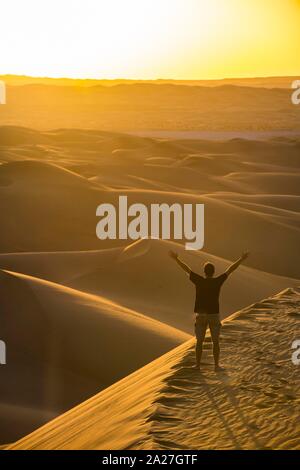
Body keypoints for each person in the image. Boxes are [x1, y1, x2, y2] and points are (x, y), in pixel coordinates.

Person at [169, 250, 249, 371]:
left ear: (204, 272)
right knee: (215, 342)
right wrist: (241, 259)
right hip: (214, 315)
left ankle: (197, 365)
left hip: (201, 315)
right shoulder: (217, 281)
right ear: (213, 272)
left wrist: (176, 260)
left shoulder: (199, 280)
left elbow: (187, 269)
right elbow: (230, 270)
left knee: (199, 342)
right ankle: (216, 366)